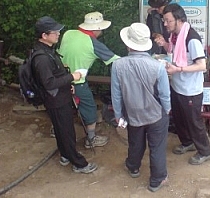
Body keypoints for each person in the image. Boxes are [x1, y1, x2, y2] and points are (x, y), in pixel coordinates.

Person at [111, 23, 171, 192]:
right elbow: (165, 95)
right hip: (155, 113)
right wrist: (166, 109)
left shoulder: (117, 65)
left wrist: (118, 114)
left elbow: (116, 94)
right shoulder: (157, 66)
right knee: (157, 146)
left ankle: (133, 166)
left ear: (128, 44)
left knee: (135, 142)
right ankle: (157, 179)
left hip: (132, 112)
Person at [32, 16, 97, 173]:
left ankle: (65, 155)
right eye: (54, 32)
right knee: (67, 131)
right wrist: (72, 77)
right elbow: (49, 83)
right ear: (44, 36)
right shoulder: (42, 58)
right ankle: (79, 163)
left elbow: (54, 77)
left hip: (59, 96)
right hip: (56, 100)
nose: (58, 34)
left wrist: (68, 85)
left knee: (61, 128)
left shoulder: (46, 50)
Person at [154, 4, 210, 165]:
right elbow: (174, 52)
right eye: (164, 20)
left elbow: (202, 65)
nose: (165, 24)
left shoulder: (191, 38)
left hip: (191, 90)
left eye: (168, 20)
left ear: (179, 20)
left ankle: (205, 151)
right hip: (177, 85)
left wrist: (178, 69)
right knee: (180, 119)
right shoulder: (175, 37)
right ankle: (188, 142)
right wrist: (164, 45)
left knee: (194, 121)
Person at [58, 12, 120, 149]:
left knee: (62, 107)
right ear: (97, 28)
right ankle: (91, 139)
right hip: (77, 83)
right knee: (90, 109)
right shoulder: (93, 43)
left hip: (59, 79)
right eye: (101, 28)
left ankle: (56, 130)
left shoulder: (68, 33)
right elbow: (117, 61)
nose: (102, 31)